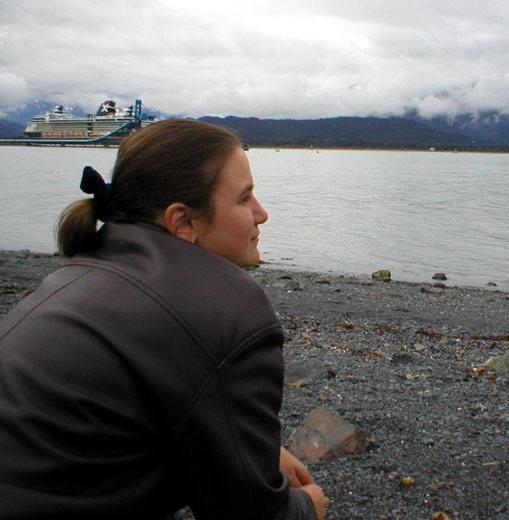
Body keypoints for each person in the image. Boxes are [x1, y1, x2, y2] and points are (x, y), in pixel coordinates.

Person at [0, 119, 327, 519]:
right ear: (183, 222)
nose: (262, 214)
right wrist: (306, 508)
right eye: (245, 199)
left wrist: (249, 448)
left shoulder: (77, 274)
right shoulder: (226, 308)